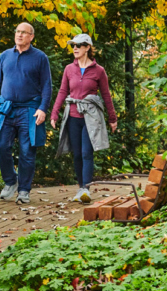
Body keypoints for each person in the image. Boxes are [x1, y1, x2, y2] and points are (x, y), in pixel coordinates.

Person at [0, 22, 53, 205]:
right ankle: (11, 181)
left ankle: (24, 191)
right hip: (6, 109)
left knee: (27, 151)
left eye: (24, 32)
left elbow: (47, 86)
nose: (19, 35)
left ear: (31, 37)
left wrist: (43, 109)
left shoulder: (40, 58)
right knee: (1, 145)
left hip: (30, 110)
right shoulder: (5, 56)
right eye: (17, 31)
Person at [50, 33, 117, 204]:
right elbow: (63, 92)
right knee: (78, 154)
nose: (75, 48)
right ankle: (81, 187)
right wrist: (54, 113)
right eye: (73, 45)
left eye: (79, 45)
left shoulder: (99, 71)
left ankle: (86, 188)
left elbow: (106, 95)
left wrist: (112, 118)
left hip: (91, 117)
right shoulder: (69, 69)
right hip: (72, 116)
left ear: (87, 47)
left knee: (87, 152)